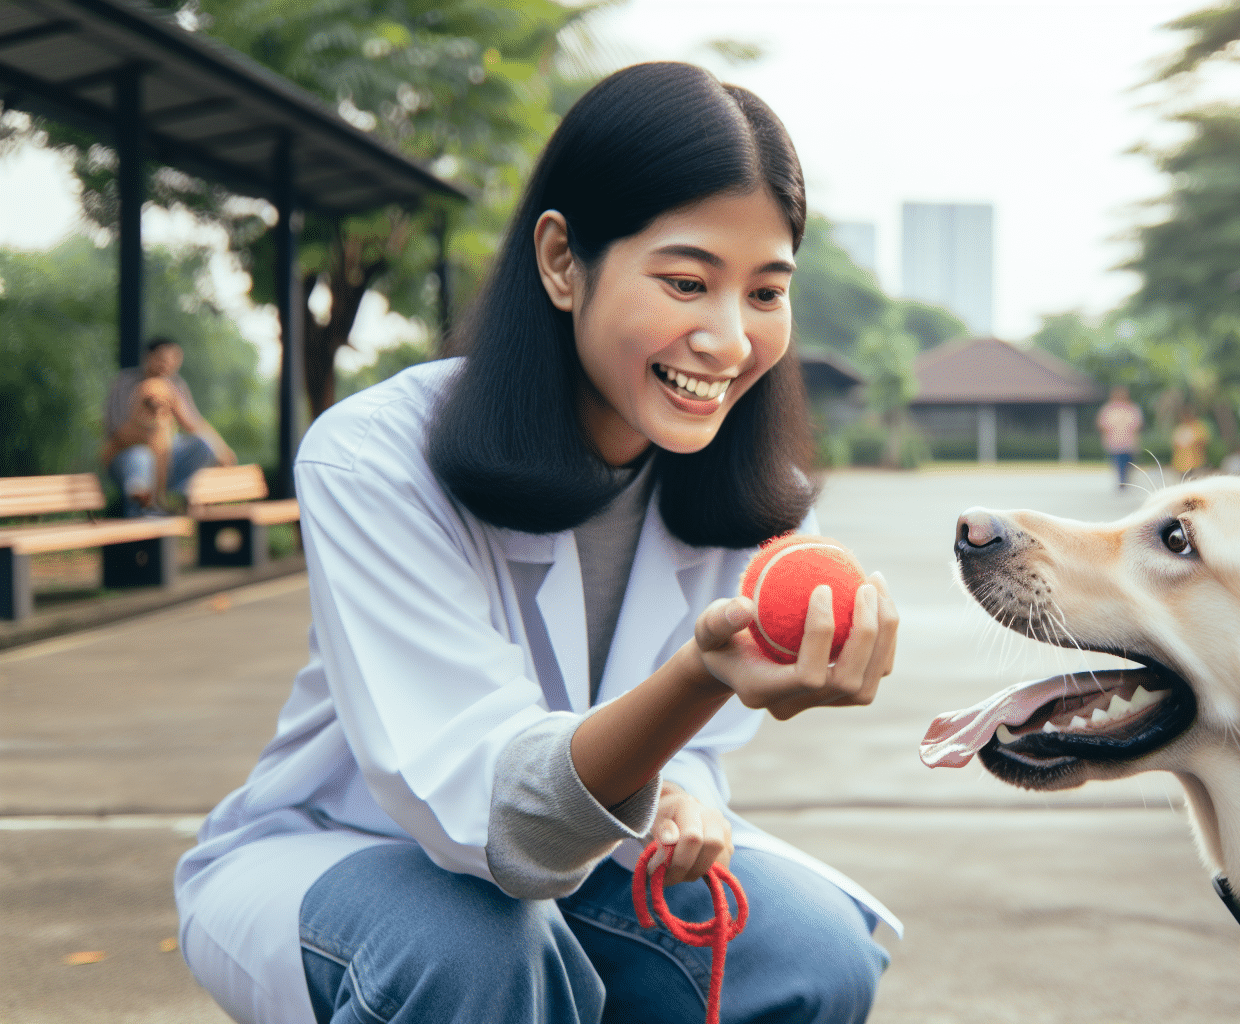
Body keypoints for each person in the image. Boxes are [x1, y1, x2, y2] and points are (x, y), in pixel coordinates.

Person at [174, 63, 901, 1024]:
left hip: (591, 866)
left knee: (810, 952)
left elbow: (690, 758)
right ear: (563, 261)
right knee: (474, 954)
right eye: (687, 281)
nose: (728, 341)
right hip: (345, 849)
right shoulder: (377, 457)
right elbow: (486, 811)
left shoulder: (764, 502)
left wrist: (685, 790)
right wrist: (700, 674)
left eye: (766, 292)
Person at [100, 337, 236, 515]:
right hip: (129, 456)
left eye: (174, 359)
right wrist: (150, 432)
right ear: (148, 357)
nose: (168, 364)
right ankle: (145, 512)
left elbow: (194, 423)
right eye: (162, 358)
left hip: (167, 458)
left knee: (204, 445)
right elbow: (117, 433)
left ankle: (182, 498)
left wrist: (223, 450)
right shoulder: (125, 382)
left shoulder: (175, 384)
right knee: (141, 457)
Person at [1096, 385, 1143, 490]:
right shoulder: (1109, 409)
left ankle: (1124, 480)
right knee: (1119, 463)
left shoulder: (1131, 408)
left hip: (1128, 442)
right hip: (1115, 442)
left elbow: (1137, 425)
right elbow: (1102, 425)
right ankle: (1122, 480)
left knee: (1127, 463)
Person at [1170, 408, 1209, 478]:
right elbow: (1175, 444)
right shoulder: (1180, 428)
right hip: (1182, 465)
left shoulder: (1198, 427)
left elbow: (1203, 441)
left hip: (1195, 464)